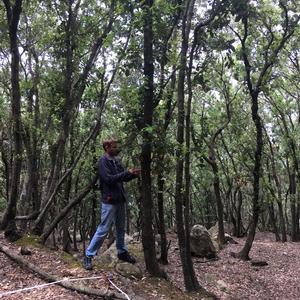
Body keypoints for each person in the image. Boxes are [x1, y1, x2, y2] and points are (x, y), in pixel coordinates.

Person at [83, 138, 140, 270]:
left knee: (120, 228)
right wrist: (126, 173)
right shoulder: (103, 162)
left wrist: (132, 175)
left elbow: (122, 177)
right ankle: (88, 255)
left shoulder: (116, 160)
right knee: (103, 229)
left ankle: (122, 252)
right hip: (109, 200)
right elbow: (108, 179)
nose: (117, 149)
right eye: (114, 147)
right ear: (107, 148)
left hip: (120, 199)